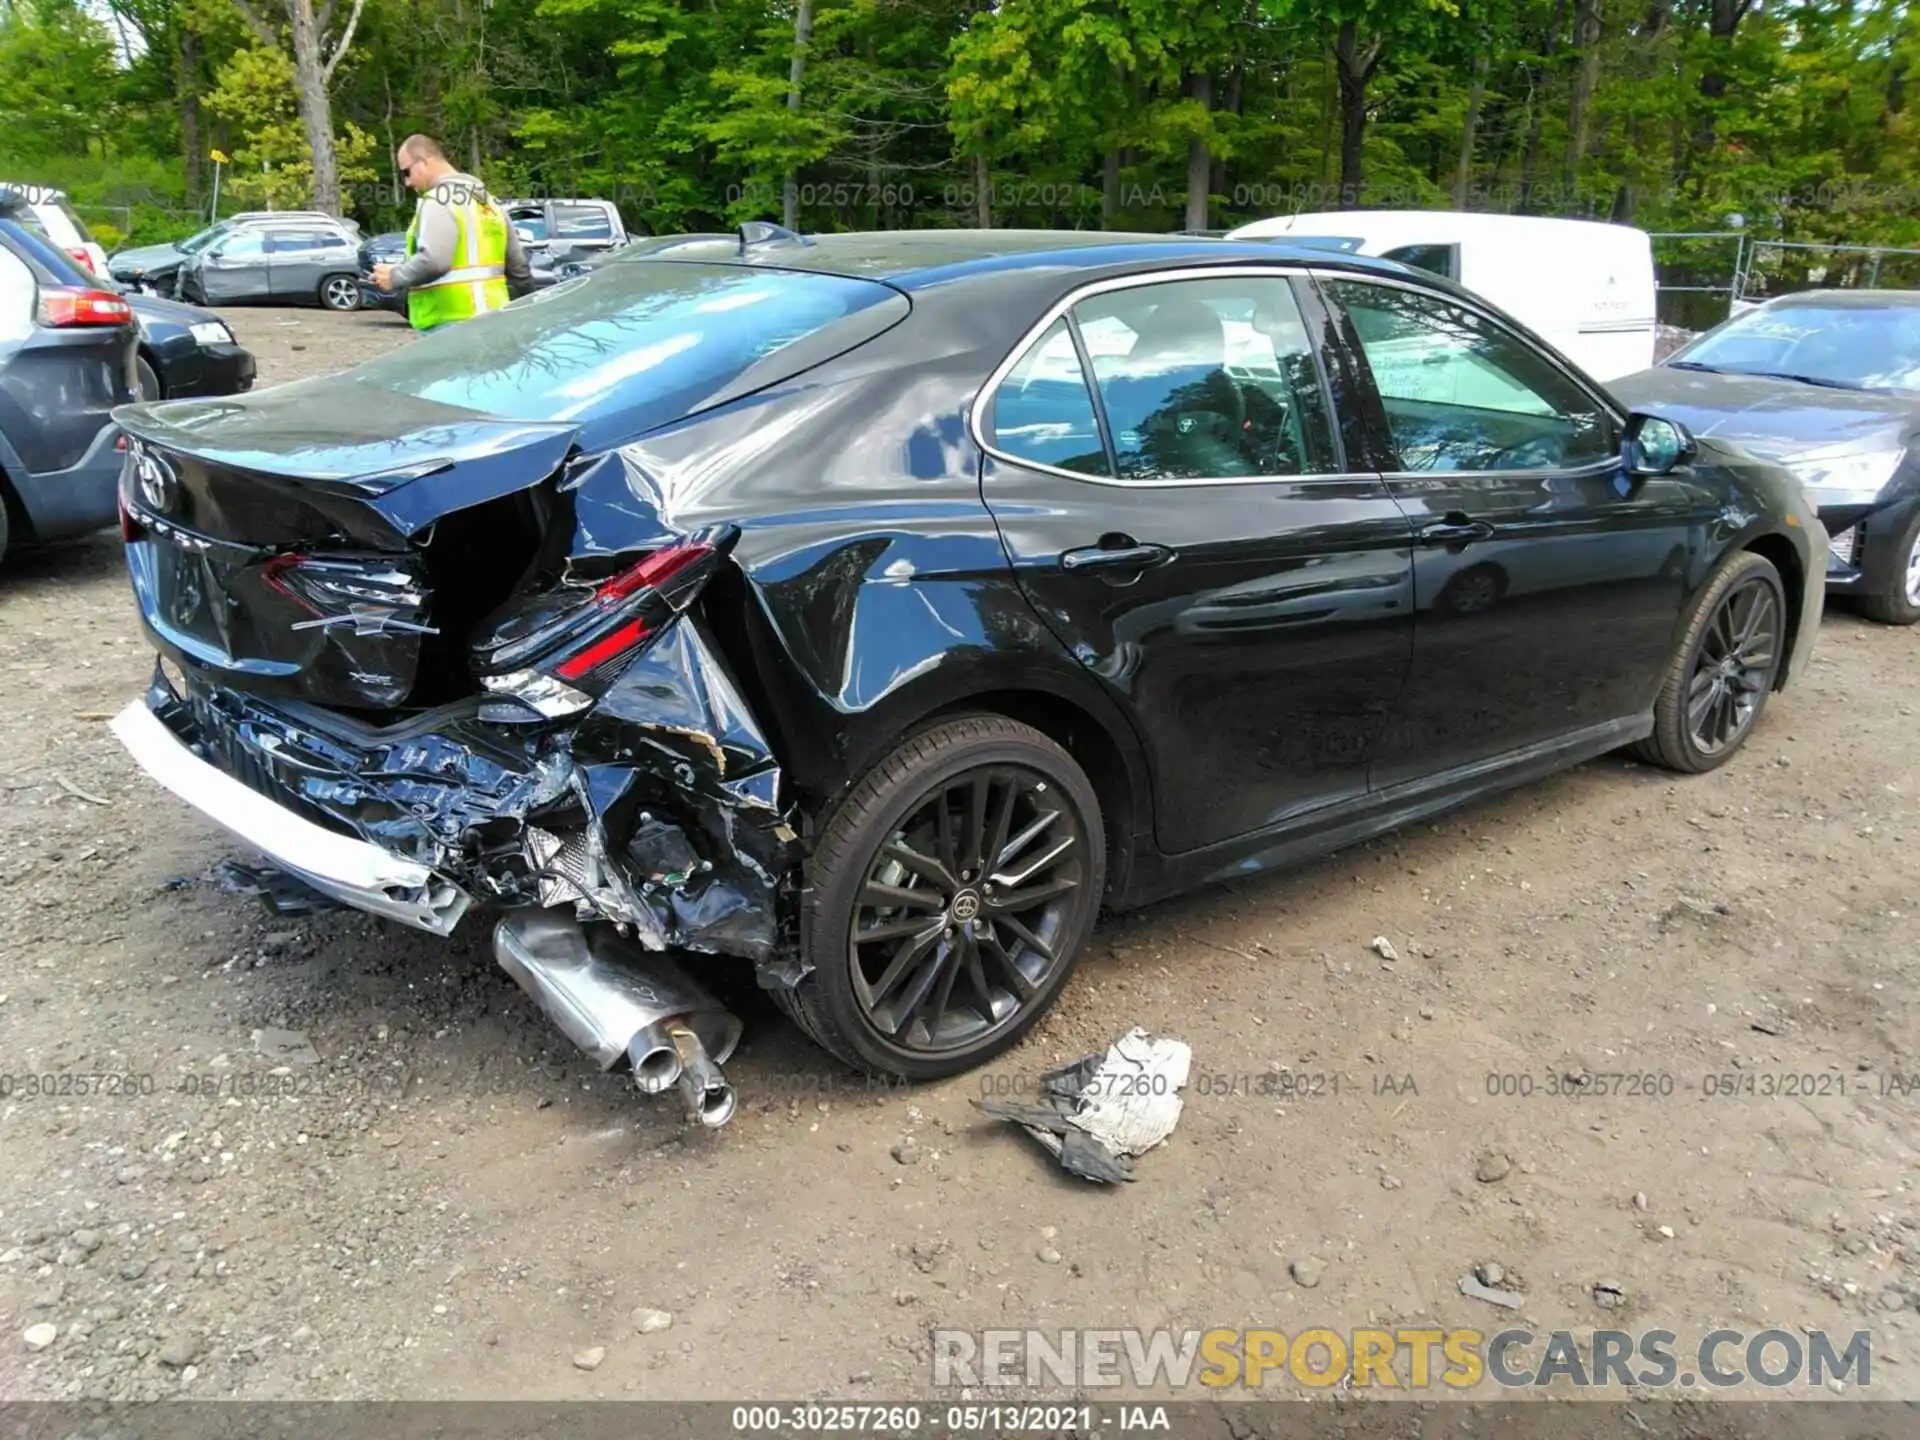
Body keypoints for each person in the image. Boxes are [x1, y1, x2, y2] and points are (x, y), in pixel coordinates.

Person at [371, 134, 531, 331]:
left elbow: (435, 260)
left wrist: (395, 276)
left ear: (423, 162)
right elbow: (519, 269)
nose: (408, 182)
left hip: (451, 323)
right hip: (494, 319)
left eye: (407, 172)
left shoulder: (438, 200)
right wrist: (529, 313)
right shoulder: (489, 202)